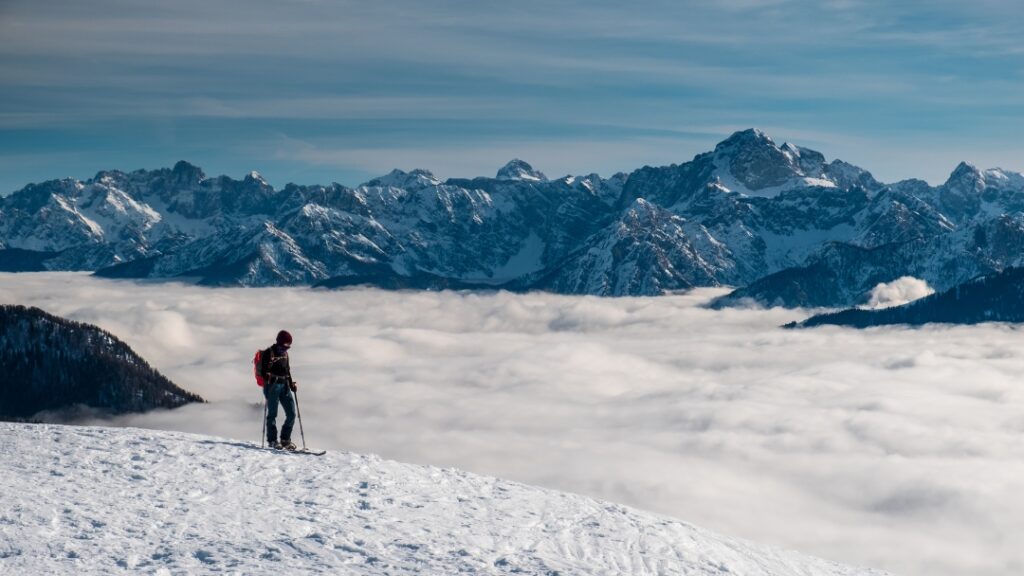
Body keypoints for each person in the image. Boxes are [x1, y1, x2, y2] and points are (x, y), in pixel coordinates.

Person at [260, 330, 298, 450]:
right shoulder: (268, 353)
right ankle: (272, 440)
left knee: (291, 413)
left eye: (289, 345)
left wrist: (291, 384)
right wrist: (271, 377)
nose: (287, 348)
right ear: (280, 342)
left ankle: (285, 440)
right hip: (272, 386)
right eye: (286, 345)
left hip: (285, 385)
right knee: (272, 414)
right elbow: (262, 372)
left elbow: (287, 370)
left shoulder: (285, 354)